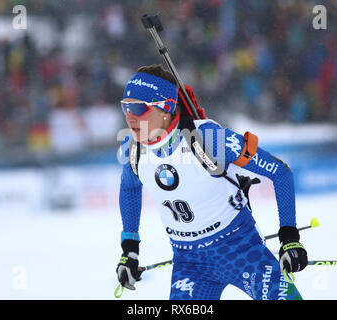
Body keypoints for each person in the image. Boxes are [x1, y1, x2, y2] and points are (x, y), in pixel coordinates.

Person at [116, 64, 307, 300]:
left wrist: (289, 238)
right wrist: (130, 250)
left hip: (240, 249)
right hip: (190, 264)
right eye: (125, 107)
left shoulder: (209, 139)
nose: (130, 116)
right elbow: (129, 187)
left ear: (166, 107)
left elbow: (280, 172)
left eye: (138, 107)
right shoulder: (132, 150)